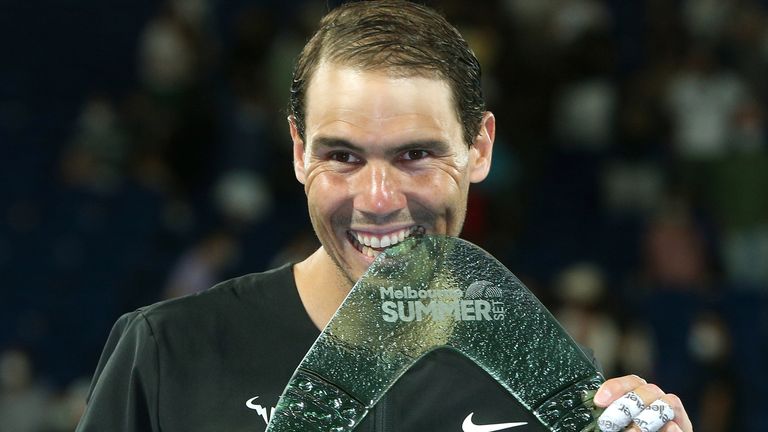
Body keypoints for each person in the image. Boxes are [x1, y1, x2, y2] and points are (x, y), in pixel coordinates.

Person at [76, 1, 693, 431]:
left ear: (479, 148)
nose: (376, 199)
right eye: (341, 156)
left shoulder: (545, 380)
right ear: (297, 151)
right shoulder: (168, 352)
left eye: (415, 155)